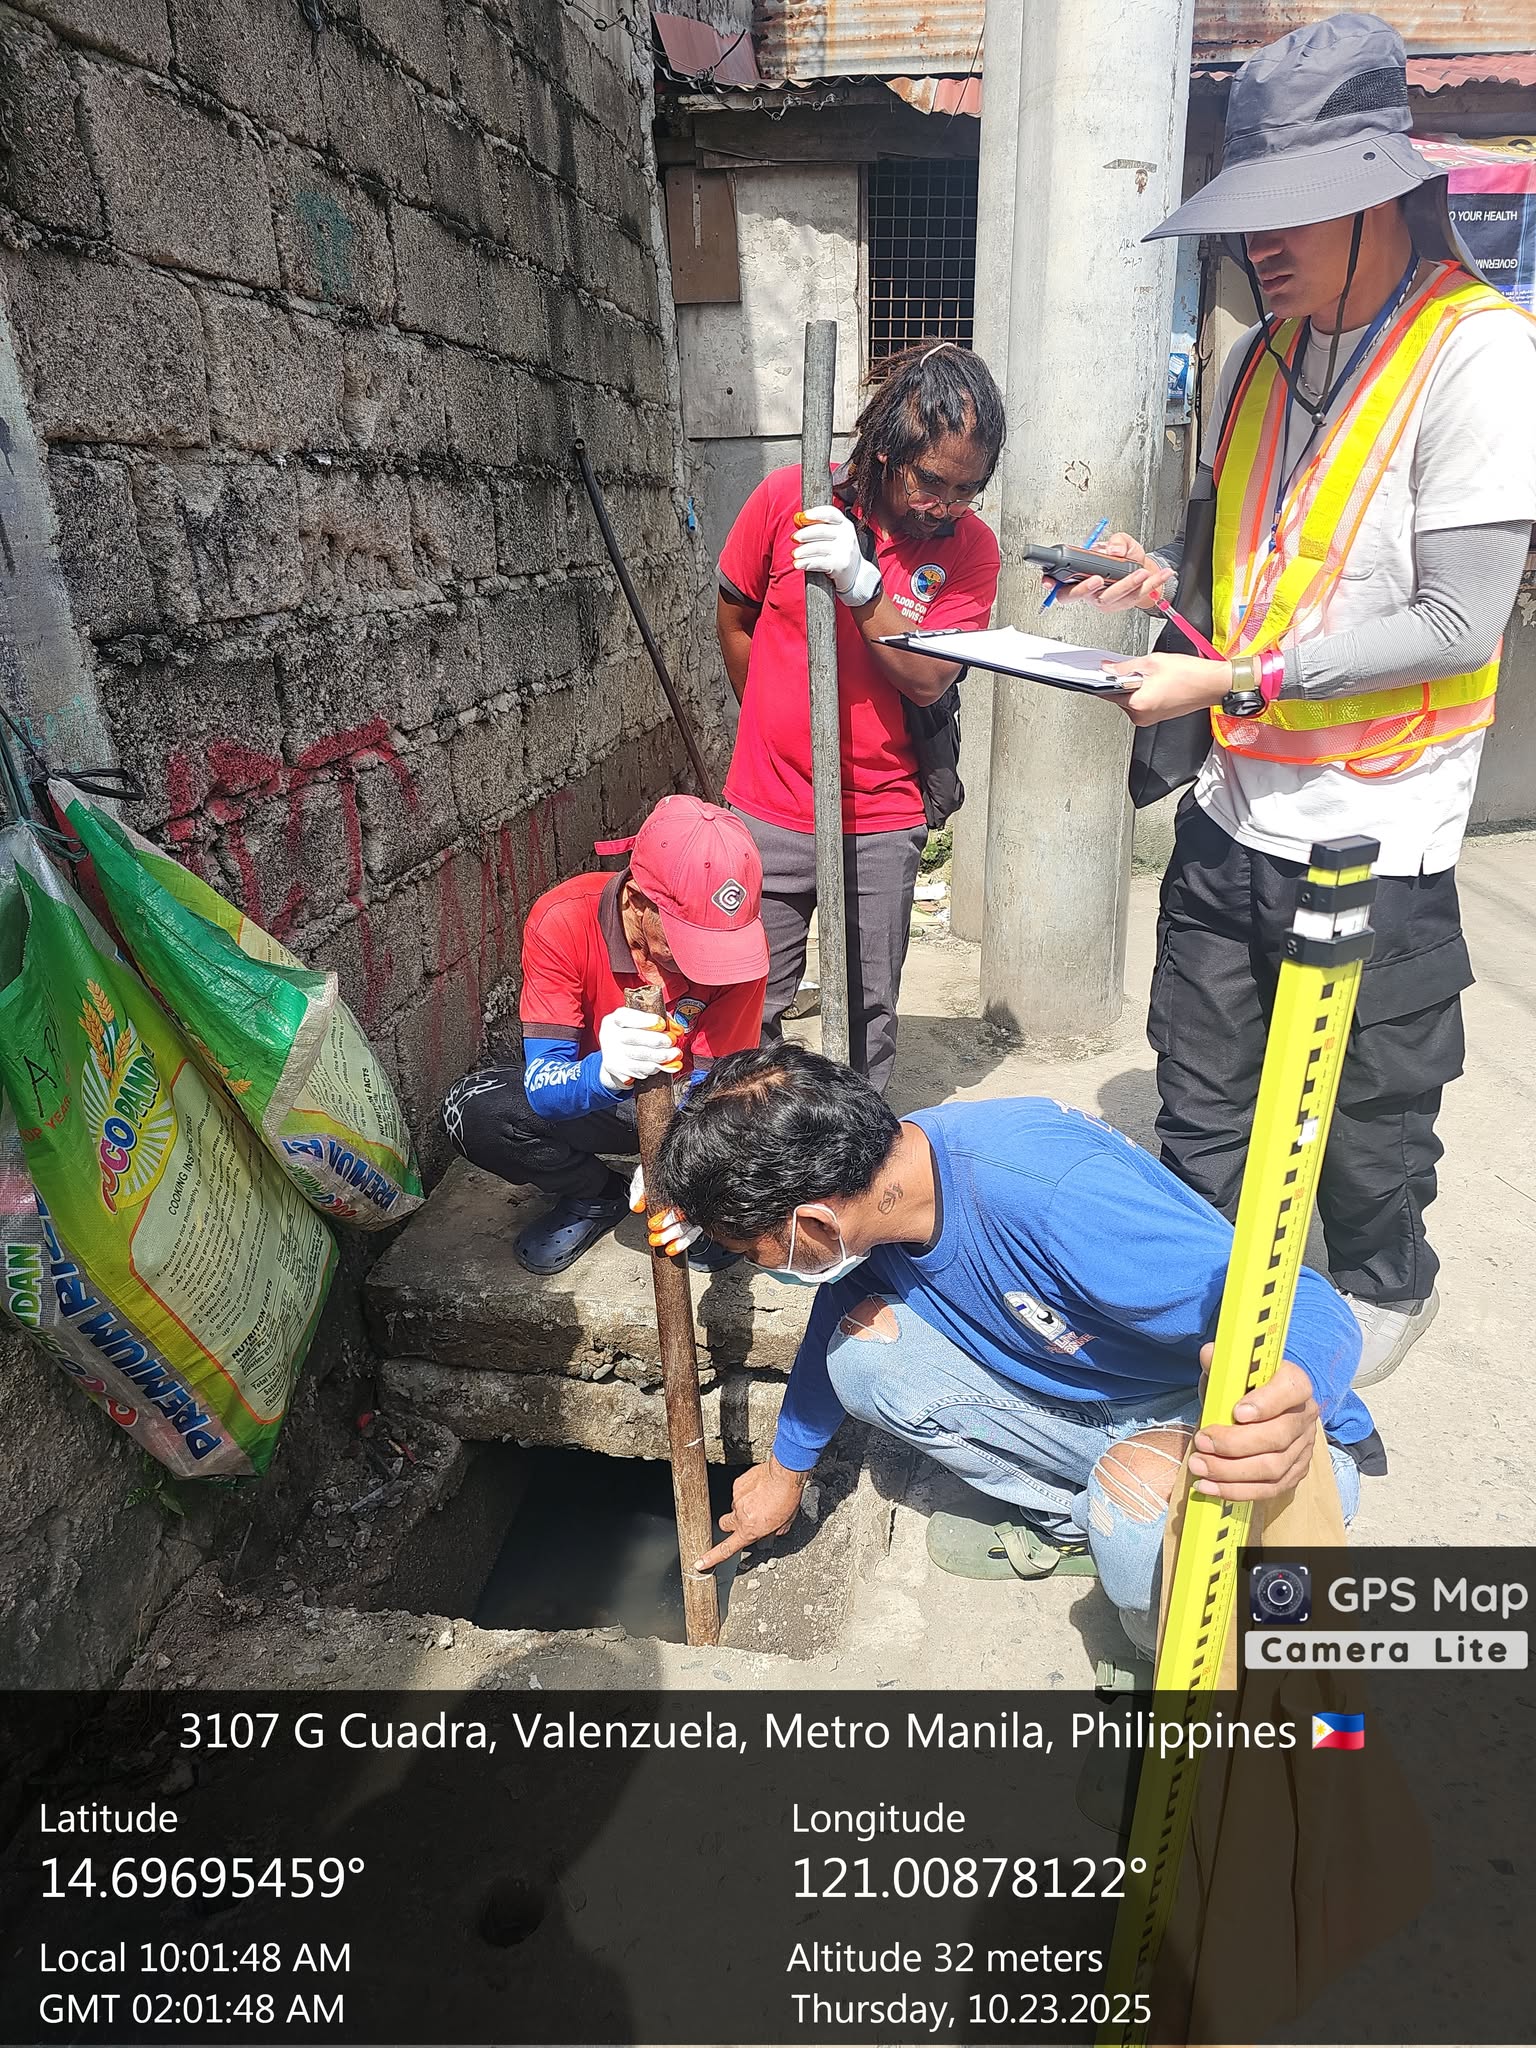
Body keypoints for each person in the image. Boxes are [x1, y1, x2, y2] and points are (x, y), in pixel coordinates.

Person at [1051, 12, 1536, 1386]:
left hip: (1376, 828)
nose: (1263, 242)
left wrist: (1235, 675)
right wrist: (1165, 589)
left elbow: (1455, 620)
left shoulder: (1482, 356)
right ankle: (1211, 1303)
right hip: (1235, 801)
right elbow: (1265, 574)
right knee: (1199, 1088)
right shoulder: (1259, 356)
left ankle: (1383, 1280)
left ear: (1383, 189)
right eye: (1249, 213)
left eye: (1294, 211)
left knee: (1375, 1109)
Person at [649, 1043, 1373, 1661]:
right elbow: (840, 1307)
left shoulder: (1051, 1197)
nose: (761, 1264)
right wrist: (784, 1469)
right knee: (861, 1354)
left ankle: (1162, 1651)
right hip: (1090, 1399)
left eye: (755, 1249)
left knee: (1139, 1526)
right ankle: (1080, 1519)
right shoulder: (886, 1186)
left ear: (811, 1220)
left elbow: (1311, 1301)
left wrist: (1293, 1389)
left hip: (1235, 1439)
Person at [716, 341, 1004, 1095]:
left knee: (867, 1010)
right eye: (933, 482)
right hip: (766, 811)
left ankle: (852, 1165)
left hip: (880, 819)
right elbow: (734, 618)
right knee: (748, 1008)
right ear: (886, 450)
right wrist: (773, 734)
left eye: (967, 489)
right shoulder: (788, 501)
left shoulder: (970, 551)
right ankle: (754, 1169)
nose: (946, 506)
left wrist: (861, 583)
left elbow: (926, 679)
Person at [441, 795, 767, 1275]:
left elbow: (719, 1089)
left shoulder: (740, 957)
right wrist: (605, 1073)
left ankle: (699, 1207)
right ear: (637, 902)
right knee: (473, 1111)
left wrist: (687, 1163)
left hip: (690, 1103)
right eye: (691, 941)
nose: (711, 964)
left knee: (774, 1131)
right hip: (597, 1102)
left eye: (721, 942)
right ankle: (594, 1195)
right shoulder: (563, 920)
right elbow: (545, 1085)